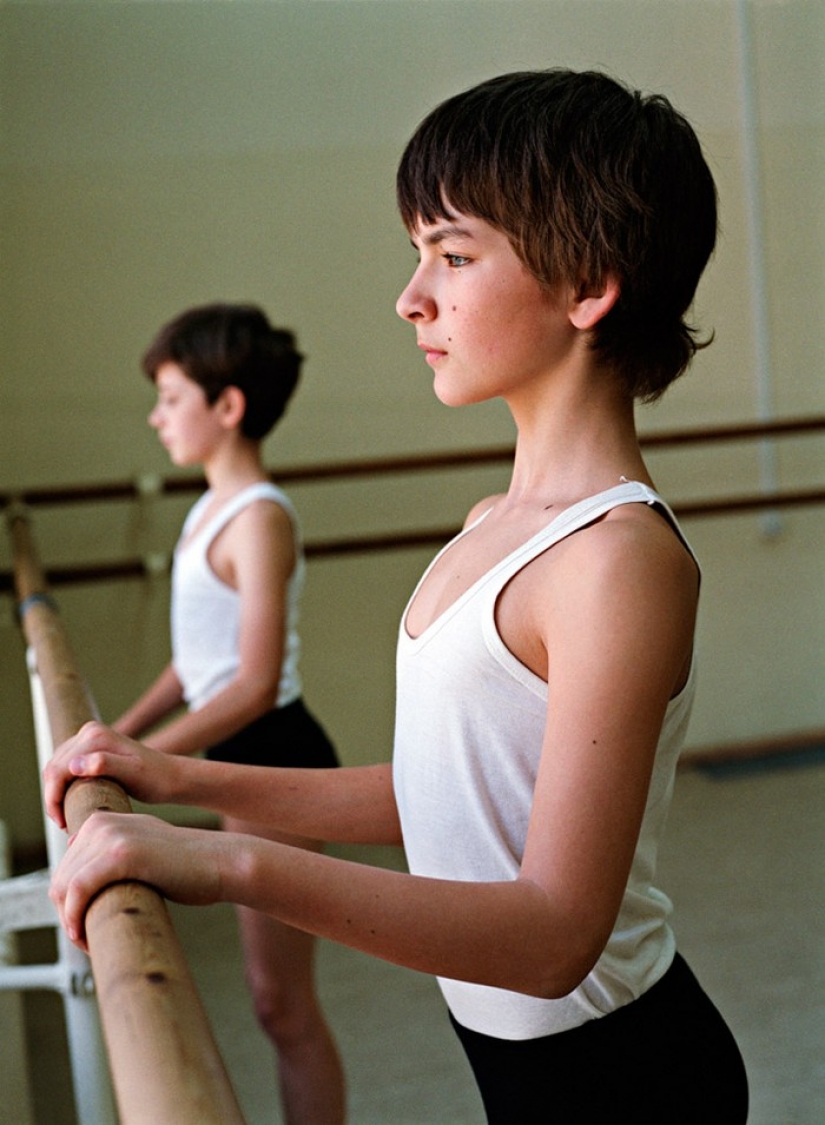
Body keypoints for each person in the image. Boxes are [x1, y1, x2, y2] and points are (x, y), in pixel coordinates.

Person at [46, 71, 749, 1122]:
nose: (410, 296)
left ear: (587, 287)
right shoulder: (488, 526)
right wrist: (166, 773)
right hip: (513, 1063)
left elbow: (555, 936)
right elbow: (436, 792)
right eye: (418, 253)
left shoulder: (618, 560)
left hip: (624, 1078)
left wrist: (228, 861)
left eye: (454, 256)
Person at [106, 303, 345, 1125]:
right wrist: (119, 737)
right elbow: (195, 663)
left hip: (273, 756)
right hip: (228, 752)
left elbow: (248, 683)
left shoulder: (261, 519)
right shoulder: (206, 507)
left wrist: (143, 764)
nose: (156, 414)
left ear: (228, 406)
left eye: (171, 397)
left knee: (282, 1003)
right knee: (268, 998)